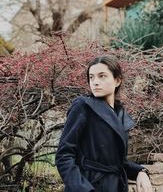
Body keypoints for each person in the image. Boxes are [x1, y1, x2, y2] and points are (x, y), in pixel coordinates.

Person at [56, 55, 152, 192]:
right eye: (91, 77)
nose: (95, 82)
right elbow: (63, 156)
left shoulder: (120, 115)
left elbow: (117, 163)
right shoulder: (83, 106)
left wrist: (140, 171)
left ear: (117, 80)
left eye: (102, 76)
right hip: (89, 185)